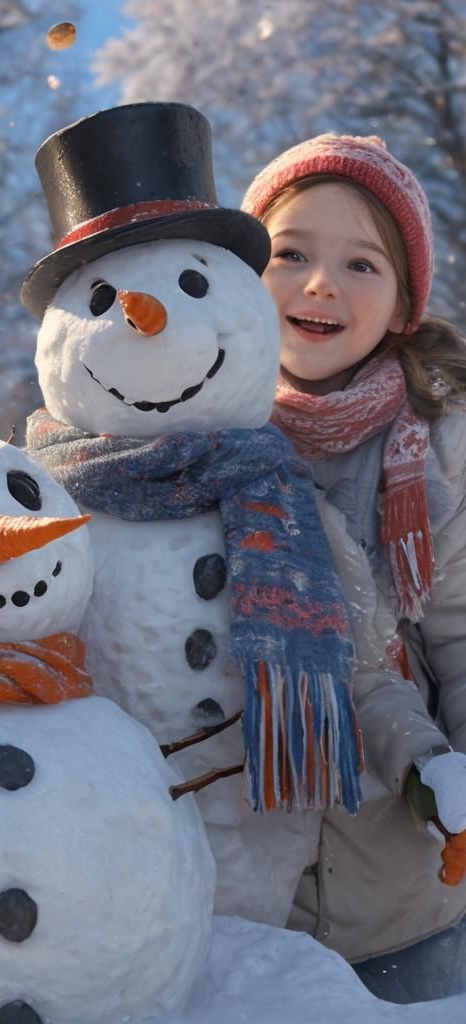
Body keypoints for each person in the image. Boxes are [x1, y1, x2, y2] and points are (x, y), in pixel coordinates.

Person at [243, 134, 466, 1002]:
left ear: (405, 303)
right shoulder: (193, 440)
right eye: (289, 254)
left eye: (361, 264)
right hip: (241, 896)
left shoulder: (437, 452)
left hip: (405, 885)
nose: (320, 284)